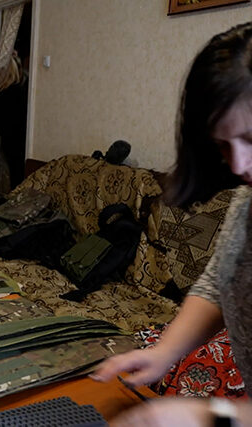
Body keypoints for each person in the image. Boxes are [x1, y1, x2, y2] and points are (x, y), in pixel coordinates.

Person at [92, 21, 252, 426]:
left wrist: (213, 415)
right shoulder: (247, 198)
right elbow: (219, 283)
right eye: (223, 145)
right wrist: (164, 352)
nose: (238, 165)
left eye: (251, 139)